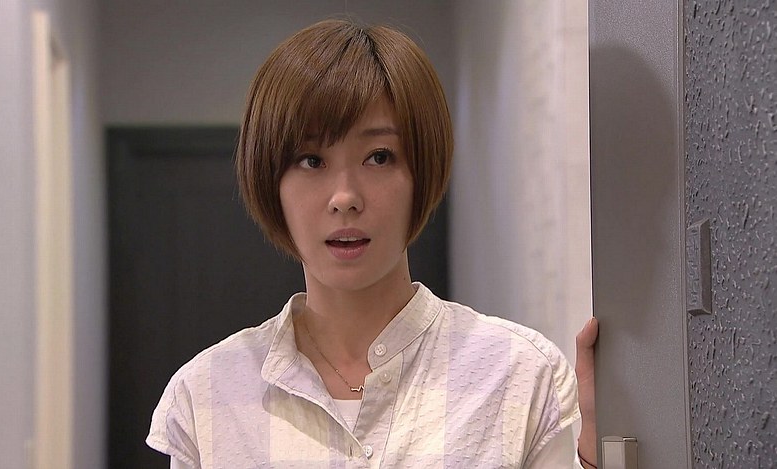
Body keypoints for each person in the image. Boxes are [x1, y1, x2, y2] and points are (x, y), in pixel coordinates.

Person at [147, 19, 598, 468]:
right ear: (270, 181)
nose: (345, 197)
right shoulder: (208, 394)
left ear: (423, 172)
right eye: (311, 160)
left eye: (379, 157)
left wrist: (603, 450)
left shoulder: (517, 375)